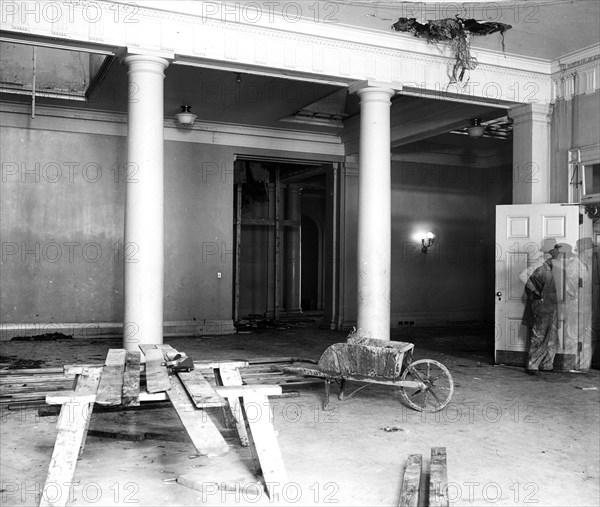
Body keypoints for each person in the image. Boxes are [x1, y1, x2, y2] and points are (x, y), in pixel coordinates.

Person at [522, 241, 562, 374]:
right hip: (542, 307)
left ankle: (547, 364)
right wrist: (538, 296)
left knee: (552, 336)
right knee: (539, 335)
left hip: (553, 307)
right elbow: (528, 284)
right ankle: (532, 365)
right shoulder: (541, 270)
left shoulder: (558, 271)